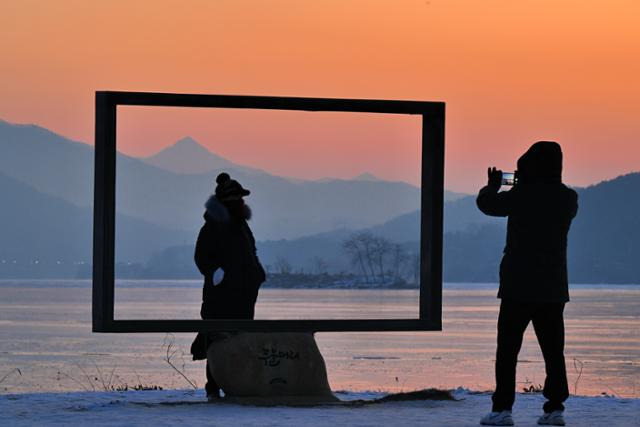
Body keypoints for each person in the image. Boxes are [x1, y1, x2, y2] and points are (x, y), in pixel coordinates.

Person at [477, 141, 578, 426]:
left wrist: (492, 186)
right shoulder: (568, 198)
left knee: (507, 350)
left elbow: (487, 205)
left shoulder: (520, 195)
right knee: (553, 351)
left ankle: (502, 410)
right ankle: (554, 409)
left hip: (517, 286)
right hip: (553, 288)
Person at [190, 172, 266, 401]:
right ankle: (213, 387)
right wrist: (215, 272)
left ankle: (237, 384)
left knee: (241, 340)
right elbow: (202, 256)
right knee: (217, 341)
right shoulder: (212, 227)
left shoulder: (242, 226)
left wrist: (257, 273)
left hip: (244, 295)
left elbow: (250, 253)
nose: (239, 203)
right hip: (220, 296)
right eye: (235, 199)